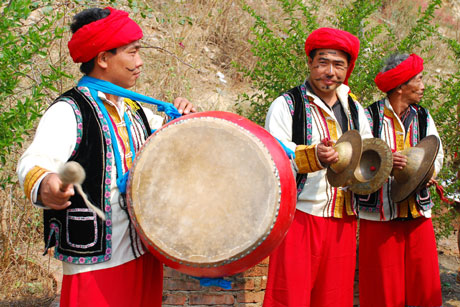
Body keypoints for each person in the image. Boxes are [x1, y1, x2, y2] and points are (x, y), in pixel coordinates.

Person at [17, 7, 196, 307]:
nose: (139, 62)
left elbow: (169, 145)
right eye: (132, 52)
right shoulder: (70, 110)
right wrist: (48, 183)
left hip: (141, 251)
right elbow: (33, 161)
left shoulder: (135, 109)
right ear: (102, 58)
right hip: (96, 262)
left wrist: (181, 120)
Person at [263, 27, 373, 306]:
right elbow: (271, 156)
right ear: (310, 63)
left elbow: (368, 150)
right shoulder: (286, 105)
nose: (330, 71)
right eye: (322, 62)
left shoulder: (355, 109)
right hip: (299, 217)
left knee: (334, 298)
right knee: (290, 297)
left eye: (339, 65)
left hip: (343, 220)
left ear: (347, 70)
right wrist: (314, 156)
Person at [357, 53, 444, 307]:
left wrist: (429, 174)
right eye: (418, 79)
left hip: (417, 215)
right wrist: (384, 163)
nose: (423, 85)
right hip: (379, 216)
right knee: (381, 290)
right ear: (400, 85)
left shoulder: (424, 117)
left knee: (424, 285)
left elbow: (436, 154)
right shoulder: (368, 116)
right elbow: (357, 161)